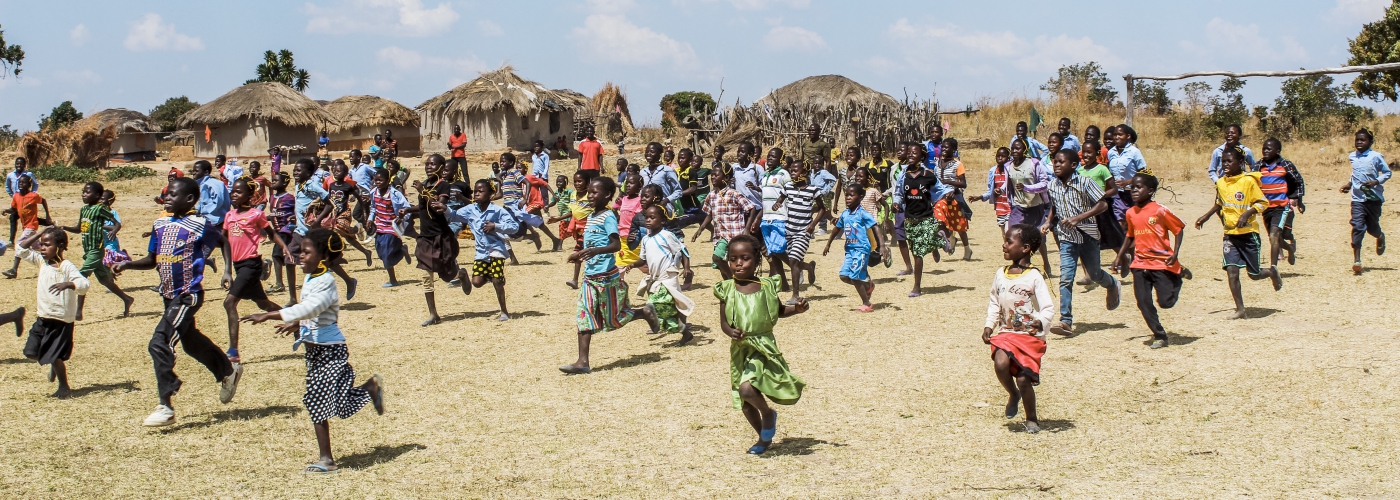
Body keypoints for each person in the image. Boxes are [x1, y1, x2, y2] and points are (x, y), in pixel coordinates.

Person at [240, 228, 385, 475]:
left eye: (307, 252)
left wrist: (269, 314)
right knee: (334, 404)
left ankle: (327, 460)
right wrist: (297, 324)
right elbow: (314, 313)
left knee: (316, 402)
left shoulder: (326, 280)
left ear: (324, 257)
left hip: (331, 351)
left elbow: (310, 307)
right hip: (315, 351)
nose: (300, 256)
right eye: (300, 251)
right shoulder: (311, 277)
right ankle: (370, 388)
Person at [112, 177, 241, 427]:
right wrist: (127, 264)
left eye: (172, 194)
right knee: (191, 343)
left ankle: (166, 405)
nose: (167, 198)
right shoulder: (160, 224)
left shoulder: (200, 224)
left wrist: (227, 270)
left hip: (187, 295)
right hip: (168, 294)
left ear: (190, 199)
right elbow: (153, 260)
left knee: (159, 342)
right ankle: (228, 370)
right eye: (166, 194)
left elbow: (223, 241)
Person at [713, 234, 807, 454]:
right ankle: (763, 439)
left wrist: (798, 309)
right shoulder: (726, 288)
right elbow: (724, 323)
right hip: (741, 349)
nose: (738, 263)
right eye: (733, 258)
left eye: (744, 258)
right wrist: (731, 332)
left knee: (747, 389)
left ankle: (767, 413)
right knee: (745, 400)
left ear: (756, 260)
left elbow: (780, 311)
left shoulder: (766, 286)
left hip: (764, 347)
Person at [560, 177, 661, 374]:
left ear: (607, 195)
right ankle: (582, 362)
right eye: (589, 192)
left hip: (607, 278)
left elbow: (615, 245)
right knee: (584, 316)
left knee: (614, 319)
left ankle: (643, 312)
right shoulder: (590, 217)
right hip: (590, 278)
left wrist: (596, 251)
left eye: (594, 192)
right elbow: (589, 245)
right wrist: (579, 254)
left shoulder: (608, 217)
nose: (590, 196)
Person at [1194, 146, 1282, 319]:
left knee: (1254, 274)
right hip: (1230, 235)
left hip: (1248, 235)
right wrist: (1206, 216)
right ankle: (1240, 309)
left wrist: (1248, 213)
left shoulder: (1248, 181)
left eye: (1229, 161)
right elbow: (1220, 203)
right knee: (1232, 271)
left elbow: (1262, 203)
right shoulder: (1220, 182)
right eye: (1222, 161)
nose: (1224, 164)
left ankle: (1271, 272)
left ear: (1241, 163)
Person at [982, 224, 1055, 434]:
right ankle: (1013, 394)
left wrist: (1040, 321)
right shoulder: (1000, 274)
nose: (1004, 245)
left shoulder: (1034, 276)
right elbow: (994, 301)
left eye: (1009, 241)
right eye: (1005, 240)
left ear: (1025, 248)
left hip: (1028, 337)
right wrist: (989, 325)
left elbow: (1048, 307)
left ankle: (1032, 418)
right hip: (1006, 334)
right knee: (1000, 362)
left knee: (1024, 379)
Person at [1042, 149, 1122, 335]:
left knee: (1094, 274)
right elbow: (1055, 205)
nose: (1056, 165)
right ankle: (1065, 321)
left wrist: (1079, 218)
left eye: (1061, 162)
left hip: (1088, 235)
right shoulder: (1052, 185)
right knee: (1066, 278)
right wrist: (1048, 221)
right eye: (1055, 162)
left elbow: (1102, 204)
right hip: (1067, 237)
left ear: (1073, 165)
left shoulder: (1085, 182)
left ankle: (1111, 284)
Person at [1112, 171, 1191, 349]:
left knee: (1165, 302)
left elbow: (1178, 229)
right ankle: (1160, 335)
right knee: (1142, 301)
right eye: (1132, 188)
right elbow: (1130, 236)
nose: (1134, 191)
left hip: (1161, 263)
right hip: (1139, 263)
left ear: (1151, 191)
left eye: (1139, 187)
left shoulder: (1160, 211)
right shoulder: (1131, 212)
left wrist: (1175, 253)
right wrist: (1119, 256)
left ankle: (1178, 274)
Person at [222, 178, 290, 364]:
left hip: (251, 265)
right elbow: (224, 242)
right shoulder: (229, 216)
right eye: (233, 191)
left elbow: (271, 233)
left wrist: (284, 247)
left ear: (250, 195)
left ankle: (233, 352)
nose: (234, 195)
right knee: (264, 305)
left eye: (239, 192)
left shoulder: (255, 215)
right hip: (238, 266)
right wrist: (227, 269)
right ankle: (296, 321)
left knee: (229, 303)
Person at [15, 228, 85, 398]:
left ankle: (64, 386)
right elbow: (21, 249)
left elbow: (84, 284)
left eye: (47, 245)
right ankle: (52, 363)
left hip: (60, 320)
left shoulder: (65, 266)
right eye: (41, 244)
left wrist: (68, 284)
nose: (42, 248)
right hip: (43, 317)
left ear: (60, 246)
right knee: (30, 352)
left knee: (54, 355)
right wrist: (39, 234)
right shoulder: (41, 261)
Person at [442, 179, 519, 322]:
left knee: (496, 280)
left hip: (496, 250)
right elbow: (453, 215)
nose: (477, 194)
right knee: (477, 282)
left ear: (490, 194)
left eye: (481, 191)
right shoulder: (470, 209)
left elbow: (514, 227)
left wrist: (495, 226)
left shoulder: (497, 211)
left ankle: (504, 311)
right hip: (481, 253)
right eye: (475, 191)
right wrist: (445, 208)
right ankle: (473, 275)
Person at [61, 182, 135, 320]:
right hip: (88, 251)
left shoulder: (100, 209)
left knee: (80, 277)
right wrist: (64, 227)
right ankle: (126, 298)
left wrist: (114, 231)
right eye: (83, 191)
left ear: (97, 195)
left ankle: (77, 312)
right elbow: (79, 229)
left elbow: (116, 223)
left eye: (87, 192)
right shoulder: (84, 210)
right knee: (104, 280)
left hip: (96, 250)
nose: (84, 194)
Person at [625, 205, 696, 343]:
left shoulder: (667, 236)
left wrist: (686, 268)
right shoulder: (645, 239)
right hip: (655, 280)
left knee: (653, 305)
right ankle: (685, 332)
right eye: (646, 217)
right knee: (667, 309)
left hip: (667, 278)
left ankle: (656, 322)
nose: (648, 220)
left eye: (652, 217)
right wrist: (633, 264)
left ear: (662, 221)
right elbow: (643, 259)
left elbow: (682, 250)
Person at [408, 155, 460, 326]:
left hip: (441, 235)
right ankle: (433, 314)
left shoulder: (443, 185)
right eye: (427, 164)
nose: (428, 167)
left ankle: (462, 275)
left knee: (446, 274)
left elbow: (438, 208)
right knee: (426, 274)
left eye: (432, 164)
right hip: (425, 237)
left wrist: (422, 191)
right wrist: (408, 210)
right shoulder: (426, 184)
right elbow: (423, 208)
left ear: (441, 167)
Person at [823, 183, 889, 312]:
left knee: (854, 276)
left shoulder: (862, 213)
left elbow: (875, 227)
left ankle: (867, 303)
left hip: (861, 250)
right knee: (844, 276)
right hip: (849, 250)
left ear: (860, 197)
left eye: (851, 195)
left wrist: (882, 245)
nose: (848, 198)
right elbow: (837, 228)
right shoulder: (845, 214)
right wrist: (828, 244)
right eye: (846, 195)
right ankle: (867, 285)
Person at [896, 147, 952, 297]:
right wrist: (896, 202)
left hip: (926, 217)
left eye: (914, 153)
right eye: (909, 153)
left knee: (917, 253)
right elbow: (898, 193)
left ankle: (916, 287)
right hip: (910, 220)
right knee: (918, 249)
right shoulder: (903, 175)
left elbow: (941, 188)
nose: (910, 155)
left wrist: (949, 193)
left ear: (921, 157)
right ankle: (939, 240)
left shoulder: (928, 175)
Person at [694, 169, 760, 281]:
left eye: (716, 175)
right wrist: (701, 228)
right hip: (720, 235)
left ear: (726, 178)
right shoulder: (711, 195)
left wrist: (747, 228)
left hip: (735, 235)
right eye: (712, 175)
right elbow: (710, 213)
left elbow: (751, 208)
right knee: (720, 264)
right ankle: (729, 286)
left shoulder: (734, 194)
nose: (713, 177)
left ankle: (735, 281)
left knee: (718, 258)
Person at [774, 159, 824, 304]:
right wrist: (778, 204)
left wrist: (813, 224)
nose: (792, 173)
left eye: (796, 171)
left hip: (803, 231)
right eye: (791, 171)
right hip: (789, 230)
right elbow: (780, 199)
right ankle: (809, 267)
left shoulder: (813, 190)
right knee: (793, 261)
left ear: (805, 173)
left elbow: (822, 209)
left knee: (794, 260)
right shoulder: (788, 187)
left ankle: (795, 295)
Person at [1340, 129, 1390, 274]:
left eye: (1363, 140)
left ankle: (1380, 236)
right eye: (1357, 140)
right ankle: (1357, 260)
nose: (1359, 142)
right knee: (1358, 226)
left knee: (1371, 228)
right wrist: (1349, 185)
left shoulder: (1376, 157)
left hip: (1373, 199)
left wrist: (1375, 182)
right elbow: (1355, 173)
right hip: (1357, 199)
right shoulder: (1352, 156)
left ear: (1370, 142)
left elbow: (1387, 173)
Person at [1003, 139, 1053, 273]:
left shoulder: (1034, 164)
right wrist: (1000, 190)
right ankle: (1018, 265)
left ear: (1024, 150)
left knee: (1039, 238)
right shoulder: (1008, 166)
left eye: (1018, 148)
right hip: (1018, 207)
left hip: (1035, 206)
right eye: (1013, 148)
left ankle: (1046, 263)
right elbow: (1008, 184)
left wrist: (1027, 188)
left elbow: (1044, 183)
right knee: (1013, 235)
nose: (1014, 151)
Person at [1257, 138, 1306, 268]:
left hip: (1281, 207)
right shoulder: (1258, 166)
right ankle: (1289, 248)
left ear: (1277, 151)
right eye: (1264, 148)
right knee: (1274, 238)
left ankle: (1273, 268)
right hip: (1266, 208)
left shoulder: (1285, 165)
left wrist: (1299, 200)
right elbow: (1251, 184)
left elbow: (1298, 181)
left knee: (1275, 235)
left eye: (1269, 149)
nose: (1265, 151)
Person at [758, 148, 792, 291]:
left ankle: (799, 266)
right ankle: (784, 284)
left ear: (780, 160)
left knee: (778, 249)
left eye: (774, 157)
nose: (770, 159)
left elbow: (790, 193)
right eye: (769, 156)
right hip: (766, 217)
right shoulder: (765, 175)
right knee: (773, 253)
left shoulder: (783, 174)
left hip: (780, 217)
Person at [370, 168, 410, 287]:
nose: (377, 183)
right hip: (379, 227)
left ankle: (393, 280)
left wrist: (401, 216)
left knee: (386, 255)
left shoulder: (395, 194)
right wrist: (369, 219)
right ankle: (402, 251)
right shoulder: (373, 193)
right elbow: (373, 208)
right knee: (380, 252)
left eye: (380, 180)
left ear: (388, 181)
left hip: (392, 227)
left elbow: (406, 206)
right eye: (376, 180)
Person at [3, 175, 49, 278]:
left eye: (23, 182)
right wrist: (7, 211)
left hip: (31, 225)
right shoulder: (16, 196)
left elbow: (44, 201)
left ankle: (14, 270)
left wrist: (48, 216)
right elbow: (14, 209)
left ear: (29, 185)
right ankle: (51, 263)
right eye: (19, 182)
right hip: (26, 227)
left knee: (20, 244)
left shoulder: (33, 196)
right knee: (38, 247)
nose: (21, 184)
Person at [933, 138, 972, 260]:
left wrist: (949, 183)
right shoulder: (937, 163)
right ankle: (949, 237)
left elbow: (963, 183)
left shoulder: (957, 164)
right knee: (939, 217)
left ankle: (967, 249)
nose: (944, 150)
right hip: (940, 197)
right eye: (942, 147)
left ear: (954, 150)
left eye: (947, 147)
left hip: (954, 196)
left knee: (960, 226)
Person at [1107, 124, 1147, 225]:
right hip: (1118, 194)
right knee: (1120, 223)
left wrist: (1127, 182)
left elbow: (1143, 172)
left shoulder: (1134, 152)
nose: (1117, 137)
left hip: (1133, 193)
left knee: (1135, 222)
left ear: (1128, 136)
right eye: (1115, 135)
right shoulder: (1111, 152)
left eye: (1120, 135)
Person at [266, 172, 296, 295]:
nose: (273, 182)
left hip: (286, 230)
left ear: (284, 183)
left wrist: (294, 217)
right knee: (281, 255)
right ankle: (281, 282)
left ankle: (279, 283)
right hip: (277, 230)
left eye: (275, 181)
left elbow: (296, 210)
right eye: (272, 180)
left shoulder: (289, 198)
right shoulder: (272, 197)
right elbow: (274, 213)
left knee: (276, 254)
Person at [970, 147, 1013, 233]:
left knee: (1009, 230)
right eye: (998, 156)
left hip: (1011, 205)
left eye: (1003, 156)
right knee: (1004, 232)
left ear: (1008, 158)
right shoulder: (993, 171)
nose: (1000, 158)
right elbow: (990, 190)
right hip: (1000, 207)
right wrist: (980, 197)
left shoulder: (1011, 170)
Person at [613, 172, 645, 268]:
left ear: (639, 187)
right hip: (623, 237)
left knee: (642, 265)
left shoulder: (640, 201)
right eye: (626, 183)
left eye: (631, 183)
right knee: (619, 265)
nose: (627, 185)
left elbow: (642, 220)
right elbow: (620, 215)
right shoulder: (624, 199)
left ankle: (654, 277)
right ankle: (619, 282)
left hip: (634, 238)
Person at [6, 157, 38, 248]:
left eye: (21, 164)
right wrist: (13, 195)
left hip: (27, 203)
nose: (19, 165)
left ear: (24, 165)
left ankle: (48, 225)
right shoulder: (10, 175)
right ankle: (11, 240)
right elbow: (7, 186)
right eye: (17, 164)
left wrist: (32, 194)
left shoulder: (28, 174)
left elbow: (36, 184)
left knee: (29, 219)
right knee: (13, 218)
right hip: (17, 202)